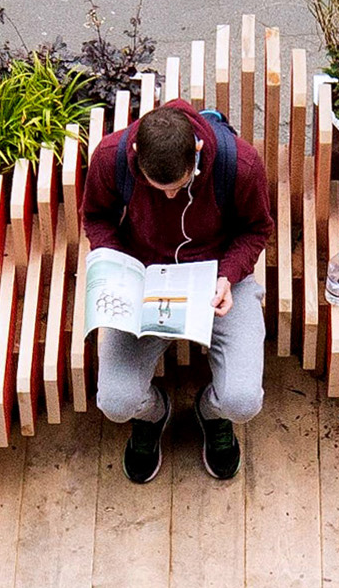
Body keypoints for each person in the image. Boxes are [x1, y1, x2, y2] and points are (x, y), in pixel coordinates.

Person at [83, 99, 275, 484]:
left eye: (180, 186)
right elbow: (96, 218)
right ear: (137, 155)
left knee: (243, 401)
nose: (170, 197)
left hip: (220, 281)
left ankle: (211, 412)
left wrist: (229, 274)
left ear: (199, 151)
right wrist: (118, 267)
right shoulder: (110, 158)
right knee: (115, 402)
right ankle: (153, 413)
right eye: (160, 189)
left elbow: (256, 230)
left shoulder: (241, 164)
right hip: (144, 279)